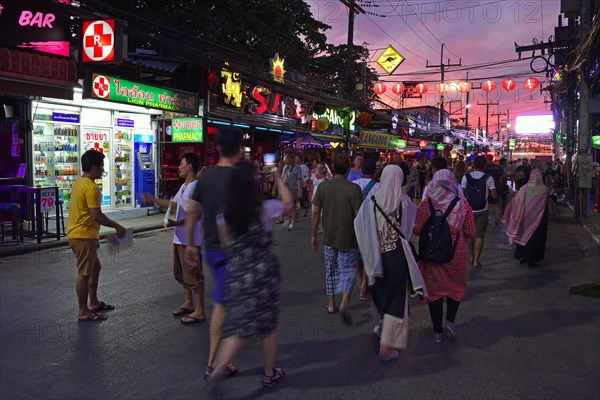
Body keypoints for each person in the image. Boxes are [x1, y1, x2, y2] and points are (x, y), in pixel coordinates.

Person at [205, 161, 293, 395]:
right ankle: (268, 373)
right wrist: (277, 176)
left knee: (239, 329)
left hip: (237, 276)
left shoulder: (224, 214)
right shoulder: (263, 209)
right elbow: (288, 203)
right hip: (262, 276)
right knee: (267, 327)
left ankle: (217, 371)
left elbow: (226, 245)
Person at [185, 126, 243, 380]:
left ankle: (218, 360)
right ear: (240, 149)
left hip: (210, 249)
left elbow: (192, 212)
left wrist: (190, 245)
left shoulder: (205, 178)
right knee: (226, 306)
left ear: (218, 148)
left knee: (224, 302)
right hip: (234, 251)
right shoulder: (241, 179)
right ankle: (214, 363)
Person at [354, 165, 420, 361]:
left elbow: (359, 225)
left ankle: (382, 327)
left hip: (374, 255)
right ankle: (386, 348)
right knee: (395, 298)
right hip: (396, 257)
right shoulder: (404, 202)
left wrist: (369, 248)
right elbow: (408, 230)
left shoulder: (371, 202)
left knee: (380, 292)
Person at [142, 153, 206, 324]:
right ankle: (188, 302)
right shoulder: (185, 186)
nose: (178, 167)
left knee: (194, 274)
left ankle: (200, 310)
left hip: (190, 239)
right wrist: (153, 199)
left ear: (190, 166)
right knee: (182, 273)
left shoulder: (195, 187)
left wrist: (177, 222)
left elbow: (197, 213)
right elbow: (174, 204)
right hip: (180, 237)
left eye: (181, 163)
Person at [413, 169, 476, 343]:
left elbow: (416, 230)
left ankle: (437, 332)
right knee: (455, 289)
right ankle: (450, 321)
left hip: (431, 256)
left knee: (435, 292)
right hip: (455, 254)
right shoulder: (463, 204)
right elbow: (470, 232)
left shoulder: (426, 204)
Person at [67, 149, 125, 322]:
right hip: (83, 236)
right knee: (84, 274)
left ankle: (93, 302)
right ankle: (84, 311)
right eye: (101, 166)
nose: (103, 170)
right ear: (93, 167)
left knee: (95, 268)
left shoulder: (79, 183)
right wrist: (117, 226)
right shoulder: (91, 187)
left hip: (82, 234)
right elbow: (96, 215)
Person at [311, 156, 363, 322]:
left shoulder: (323, 187)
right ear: (348, 169)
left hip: (329, 237)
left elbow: (315, 212)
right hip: (349, 237)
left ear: (333, 168)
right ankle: (345, 302)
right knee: (347, 270)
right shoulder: (354, 189)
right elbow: (359, 216)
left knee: (331, 270)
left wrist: (313, 235)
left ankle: (331, 304)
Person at [502, 169, 549, 267]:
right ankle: (533, 259)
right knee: (536, 239)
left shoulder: (524, 188)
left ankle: (522, 256)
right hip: (539, 220)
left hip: (524, 218)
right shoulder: (544, 189)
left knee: (524, 235)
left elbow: (516, 201)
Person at [350, 158, 380, 301]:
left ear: (362, 170)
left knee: (358, 256)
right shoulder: (379, 187)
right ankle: (364, 285)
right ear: (375, 172)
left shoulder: (353, 185)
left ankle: (362, 279)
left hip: (354, 224)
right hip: (370, 225)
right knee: (368, 254)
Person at [461, 155, 497, 268]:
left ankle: (471, 256)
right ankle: (477, 260)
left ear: (473, 164)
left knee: (469, 235)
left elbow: (462, 194)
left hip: (469, 210)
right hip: (483, 210)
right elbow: (494, 195)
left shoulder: (466, 177)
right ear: (485, 165)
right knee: (480, 236)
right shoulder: (489, 178)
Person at [281, 153, 302, 230]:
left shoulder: (297, 168)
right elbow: (282, 178)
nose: (285, 160)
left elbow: (299, 179)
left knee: (292, 206)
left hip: (293, 189)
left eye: (286, 158)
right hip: (285, 190)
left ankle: (292, 223)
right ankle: (289, 219)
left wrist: (300, 190)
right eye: (285, 158)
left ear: (291, 159)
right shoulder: (285, 167)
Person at [484, 154, 504, 225]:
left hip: (488, 187)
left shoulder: (485, 167)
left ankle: (489, 219)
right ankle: (497, 218)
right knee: (496, 202)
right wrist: (499, 185)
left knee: (488, 203)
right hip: (497, 187)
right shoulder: (498, 167)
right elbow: (501, 177)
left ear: (487, 159)